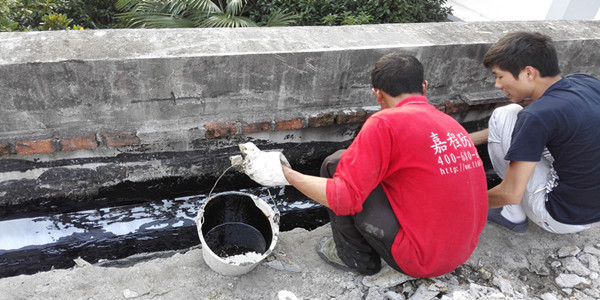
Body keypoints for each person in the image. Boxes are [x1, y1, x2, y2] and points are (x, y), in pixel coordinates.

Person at [240, 53, 488, 277]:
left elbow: (343, 198)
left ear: (377, 94)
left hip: (420, 260)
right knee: (355, 168)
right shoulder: (449, 124)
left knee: (334, 165)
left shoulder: (385, 123)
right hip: (460, 251)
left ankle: (357, 258)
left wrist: (285, 173)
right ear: (424, 87)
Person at [470, 31, 600, 234]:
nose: (497, 85)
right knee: (515, 119)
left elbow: (510, 193)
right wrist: (464, 140)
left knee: (505, 114)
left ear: (528, 73)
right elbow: (529, 130)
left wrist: (464, 205)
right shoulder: (586, 82)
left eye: (500, 76)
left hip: (559, 216)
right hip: (592, 211)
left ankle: (512, 214)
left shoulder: (537, 116)